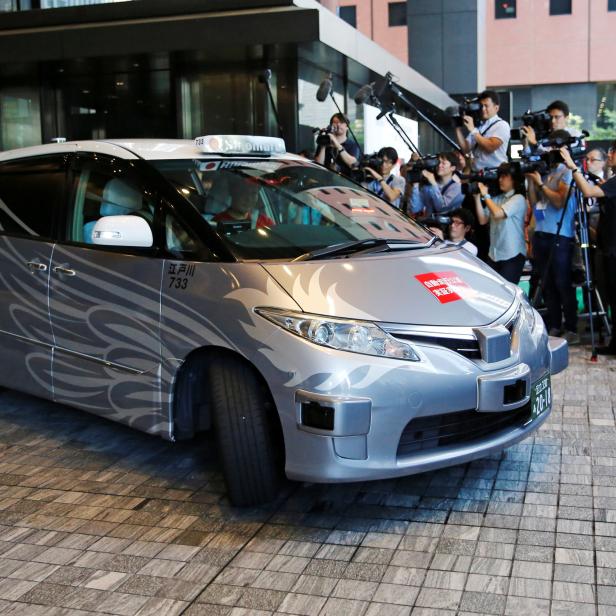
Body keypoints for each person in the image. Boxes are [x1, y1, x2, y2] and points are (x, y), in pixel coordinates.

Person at [560, 142, 616, 355]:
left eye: (613, 152)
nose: (610, 155)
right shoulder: (610, 182)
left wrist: (573, 167)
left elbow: (587, 190)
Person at [525, 129, 578, 343]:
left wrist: (539, 183)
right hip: (541, 233)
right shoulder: (547, 171)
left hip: (561, 235)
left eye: (555, 146)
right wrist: (531, 180)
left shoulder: (566, 171)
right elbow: (535, 201)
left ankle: (572, 328)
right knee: (546, 283)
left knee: (562, 282)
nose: (551, 150)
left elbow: (559, 201)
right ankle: (555, 325)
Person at [473, 163, 527, 284]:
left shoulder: (518, 199)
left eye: (504, 176)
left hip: (512, 254)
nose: (500, 180)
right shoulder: (498, 199)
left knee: (508, 292)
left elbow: (498, 214)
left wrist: (485, 195)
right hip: (494, 254)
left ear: (513, 179)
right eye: (500, 176)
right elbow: (483, 220)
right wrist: (476, 197)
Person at [455, 90, 510, 171]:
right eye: (481, 106)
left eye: (486, 106)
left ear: (496, 108)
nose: (483, 109)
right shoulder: (479, 126)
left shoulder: (502, 125)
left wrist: (473, 130)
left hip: (494, 173)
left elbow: (490, 147)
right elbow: (465, 149)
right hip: (477, 174)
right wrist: (457, 127)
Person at [409, 152, 464, 217]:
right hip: (427, 224)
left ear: (453, 168)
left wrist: (434, 184)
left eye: (443, 163)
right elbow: (415, 208)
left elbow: (441, 208)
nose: (439, 165)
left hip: (446, 225)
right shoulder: (429, 185)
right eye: (439, 162)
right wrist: (416, 184)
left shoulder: (458, 188)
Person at [315, 113, 360, 178]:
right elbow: (318, 165)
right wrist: (324, 144)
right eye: (335, 122)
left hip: (346, 182)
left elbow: (352, 164)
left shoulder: (352, 144)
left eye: (341, 122)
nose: (338, 125)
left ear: (347, 127)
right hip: (326, 180)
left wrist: (337, 144)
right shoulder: (325, 141)